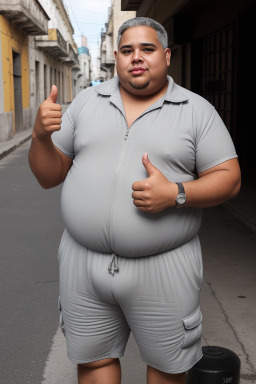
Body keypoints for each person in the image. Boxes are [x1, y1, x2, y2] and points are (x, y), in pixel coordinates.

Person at [29, 17, 241, 384]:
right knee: (94, 362)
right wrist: (40, 137)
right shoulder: (86, 102)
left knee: (167, 368)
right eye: (127, 50)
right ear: (117, 56)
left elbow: (229, 179)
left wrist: (176, 193)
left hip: (163, 266)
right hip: (83, 263)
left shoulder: (196, 110)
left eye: (147, 49)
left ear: (167, 55)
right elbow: (49, 176)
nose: (136, 57)